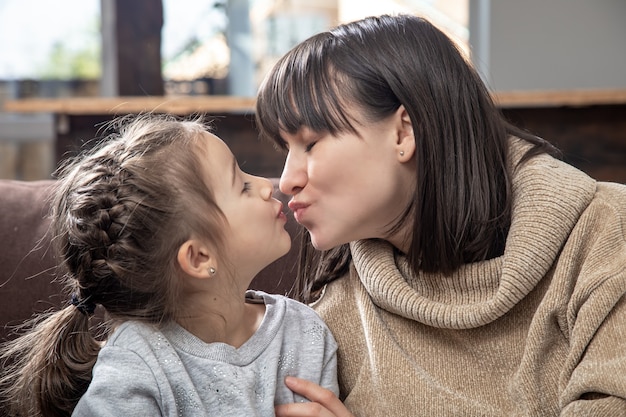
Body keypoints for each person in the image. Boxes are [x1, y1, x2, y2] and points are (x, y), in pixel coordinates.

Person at [255, 14, 626, 417]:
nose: (288, 179)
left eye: (310, 142)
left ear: (403, 133)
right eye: (285, 150)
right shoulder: (334, 300)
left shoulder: (605, 232)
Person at [0, 114, 338, 417]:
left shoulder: (306, 332)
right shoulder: (137, 364)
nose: (269, 186)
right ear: (198, 258)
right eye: (242, 185)